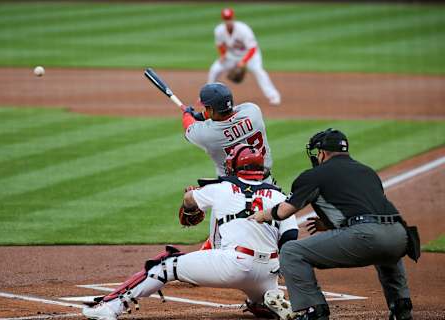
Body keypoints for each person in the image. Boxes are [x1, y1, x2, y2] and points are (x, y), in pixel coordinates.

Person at [82, 144, 299, 320]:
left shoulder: (219, 188)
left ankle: (111, 307)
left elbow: (189, 200)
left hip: (233, 264)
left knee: (165, 266)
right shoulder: (280, 197)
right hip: (269, 271)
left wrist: (190, 202)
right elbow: (290, 238)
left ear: (233, 166)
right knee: (258, 301)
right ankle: (268, 299)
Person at [249, 128, 416, 320]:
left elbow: (283, 212)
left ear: (323, 152)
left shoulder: (314, 175)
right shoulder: (368, 172)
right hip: (399, 234)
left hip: (367, 235)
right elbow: (370, 210)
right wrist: (329, 224)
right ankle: (401, 307)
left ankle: (314, 311)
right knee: (386, 251)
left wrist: (261, 215)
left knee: (292, 252)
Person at [182, 82, 276, 184]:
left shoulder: (209, 134)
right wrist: (203, 115)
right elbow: (231, 111)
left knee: (190, 196)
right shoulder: (253, 111)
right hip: (266, 184)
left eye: (206, 108)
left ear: (212, 110)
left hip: (232, 191)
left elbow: (189, 127)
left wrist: (187, 114)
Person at [207, 8, 281, 106]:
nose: (228, 21)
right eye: (226, 19)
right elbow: (220, 45)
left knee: (258, 71)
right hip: (231, 55)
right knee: (215, 69)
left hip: (250, 55)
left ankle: (273, 95)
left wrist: (244, 61)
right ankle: (207, 96)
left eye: (229, 18)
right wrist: (223, 55)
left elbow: (253, 48)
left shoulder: (243, 30)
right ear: (223, 20)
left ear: (233, 18)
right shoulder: (219, 30)